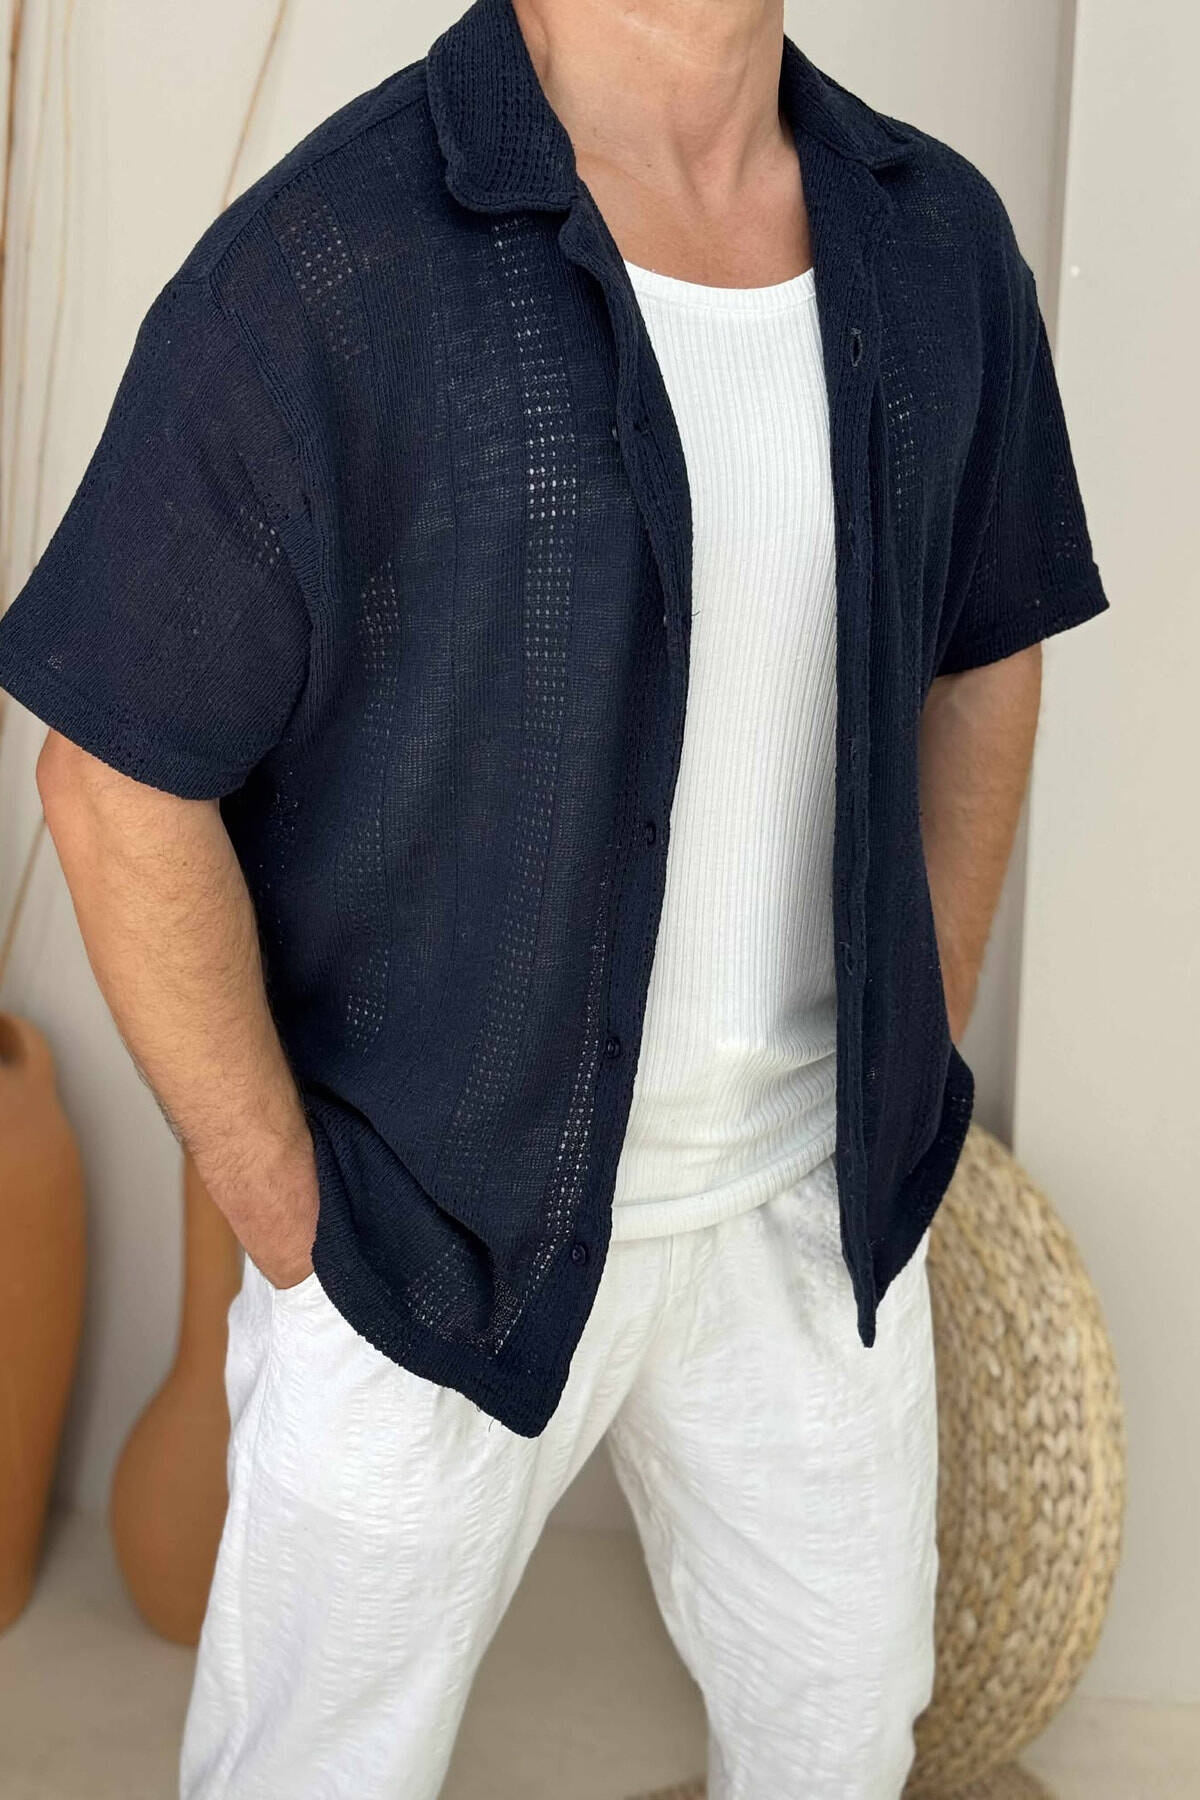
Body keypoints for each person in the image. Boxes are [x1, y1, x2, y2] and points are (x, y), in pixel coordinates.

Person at [0, 0, 1110, 1793]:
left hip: (802, 1217)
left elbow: (992, 642)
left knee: (839, 1749)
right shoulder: (327, 264)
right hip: (420, 1234)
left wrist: (925, 1018)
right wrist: (291, 1221)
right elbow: (112, 778)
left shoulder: (937, 241)